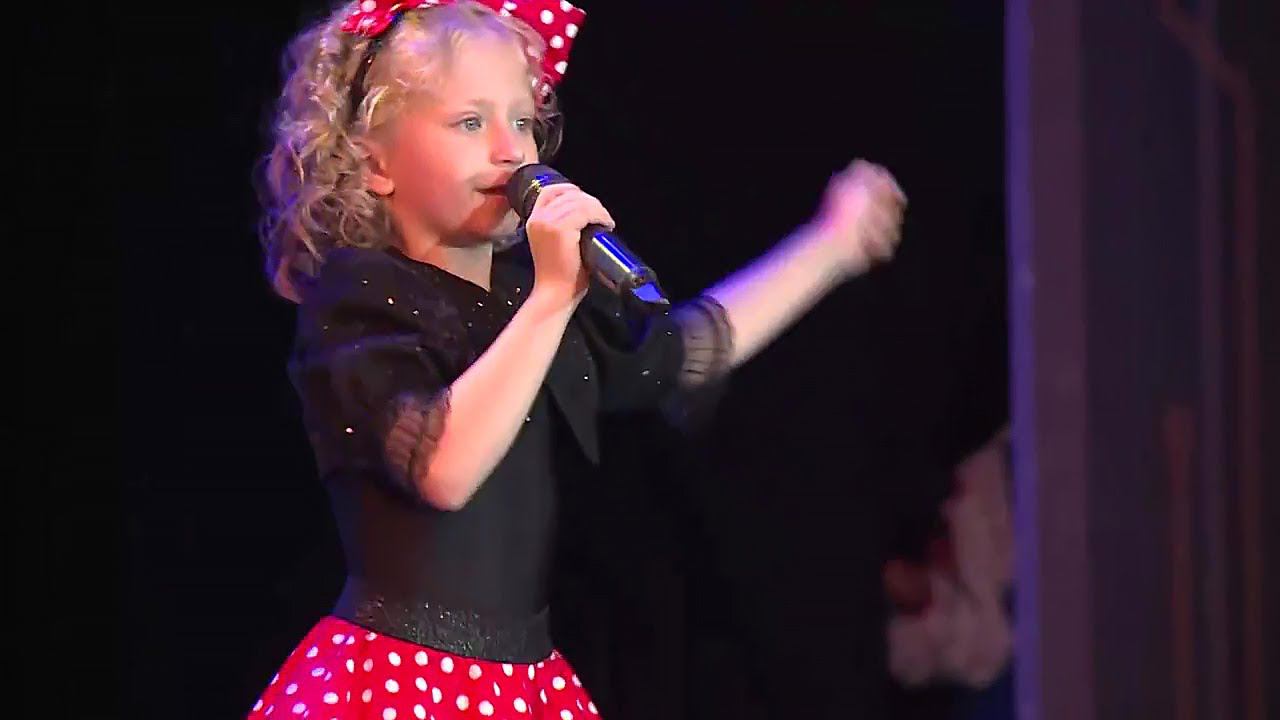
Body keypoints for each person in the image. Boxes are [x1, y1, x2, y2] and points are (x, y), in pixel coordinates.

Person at [248, 1, 906, 718]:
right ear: (376, 162)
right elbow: (440, 467)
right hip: (400, 682)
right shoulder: (361, 296)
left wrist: (830, 248)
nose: (511, 150)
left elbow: (685, 351)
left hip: (517, 684)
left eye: (522, 121)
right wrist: (553, 297)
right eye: (470, 123)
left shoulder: (527, 298)